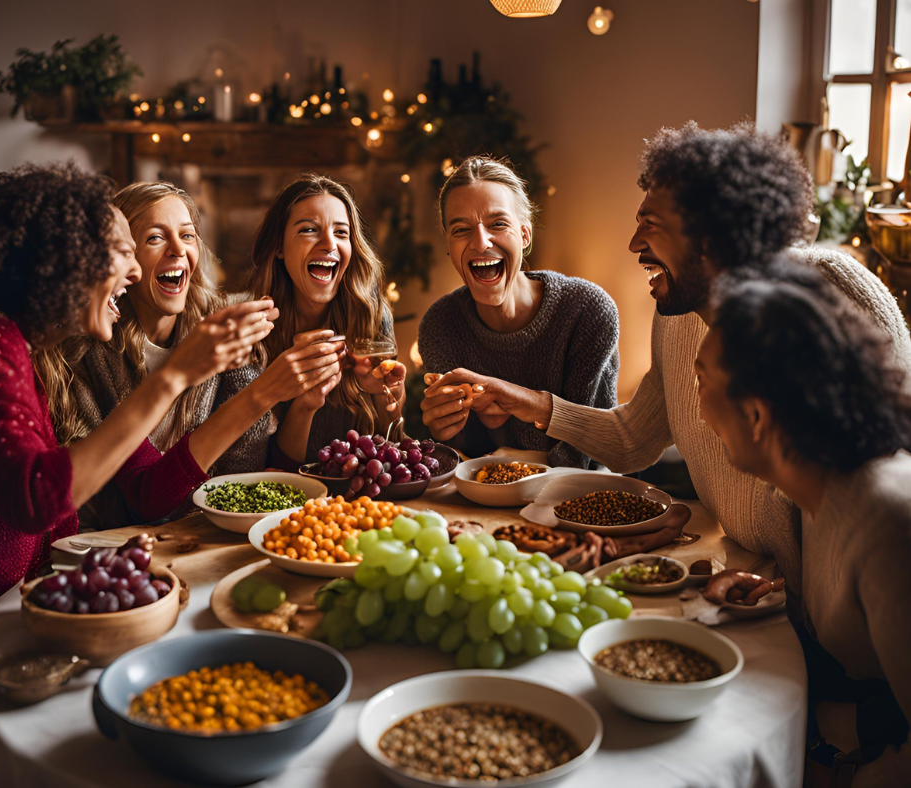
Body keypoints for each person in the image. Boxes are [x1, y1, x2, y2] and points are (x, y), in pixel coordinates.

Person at [425, 123, 911, 605]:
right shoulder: (677, 319)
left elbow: (880, 473)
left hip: (852, 604)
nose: (635, 243)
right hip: (763, 579)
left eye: (651, 225)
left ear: (709, 235)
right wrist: (529, 404)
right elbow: (633, 442)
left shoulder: (830, 290)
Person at [0, 163, 271, 615]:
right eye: (122, 250)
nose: (133, 272)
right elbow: (31, 498)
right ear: (64, 255)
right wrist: (175, 377)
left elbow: (134, 470)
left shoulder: (21, 345)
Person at [695, 261, 911, 788]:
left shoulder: (887, 520)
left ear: (757, 417)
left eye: (703, 382)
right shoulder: (818, 491)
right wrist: (775, 594)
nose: (698, 414)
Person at [43, 181, 339, 526]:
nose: (177, 250)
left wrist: (300, 402)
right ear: (122, 257)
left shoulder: (227, 328)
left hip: (213, 543)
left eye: (187, 235)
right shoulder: (89, 356)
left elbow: (244, 480)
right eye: (155, 238)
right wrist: (264, 392)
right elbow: (148, 500)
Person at [418, 156, 619, 468]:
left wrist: (520, 400)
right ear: (449, 244)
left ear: (525, 235)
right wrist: (449, 430)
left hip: (585, 496)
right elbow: (468, 461)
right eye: (461, 229)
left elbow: (590, 452)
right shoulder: (440, 325)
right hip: (487, 503)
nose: (481, 242)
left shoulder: (587, 309)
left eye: (498, 224)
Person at [248, 173, 406, 466]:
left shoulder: (373, 314)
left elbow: (392, 447)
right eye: (309, 230)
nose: (328, 243)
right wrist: (305, 404)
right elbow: (267, 471)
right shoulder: (254, 332)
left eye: (341, 232)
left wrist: (389, 396)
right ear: (279, 247)